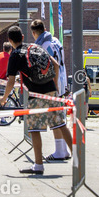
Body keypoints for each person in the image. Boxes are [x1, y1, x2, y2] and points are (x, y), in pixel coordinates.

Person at [0, 25, 64, 175]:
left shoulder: (16, 55)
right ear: (23, 37)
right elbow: (55, 64)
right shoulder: (35, 47)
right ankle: (75, 160)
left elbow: (10, 82)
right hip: (51, 89)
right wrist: (55, 85)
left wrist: (4, 99)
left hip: (36, 93)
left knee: (34, 130)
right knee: (60, 125)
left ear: (9, 40)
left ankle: (38, 165)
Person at [30, 19, 72, 161]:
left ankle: (61, 151)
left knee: (55, 119)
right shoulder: (56, 41)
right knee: (58, 117)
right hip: (61, 81)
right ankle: (62, 149)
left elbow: (51, 66)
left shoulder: (44, 45)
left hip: (53, 84)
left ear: (34, 33)